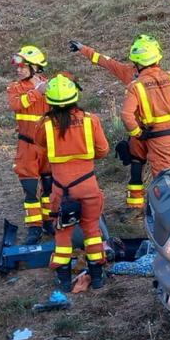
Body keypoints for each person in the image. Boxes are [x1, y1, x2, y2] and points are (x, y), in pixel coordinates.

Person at [69, 30, 170, 215]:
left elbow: (107, 63)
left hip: (154, 139)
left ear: (137, 62)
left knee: (161, 184)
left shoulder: (135, 82)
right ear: (157, 57)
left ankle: (156, 214)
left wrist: (138, 133)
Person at [33, 74, 110, 291]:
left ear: (50, 101)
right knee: (92, 230)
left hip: (62, 190)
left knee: (63, 233)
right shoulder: (90, 120)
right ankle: (97, 277)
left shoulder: (45, 125)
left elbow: (40, 147)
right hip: (88, 186)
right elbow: (103, 150)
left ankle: (64, 280)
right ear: (75, 96)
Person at [6, 45, 52, 243]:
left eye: (23, 66)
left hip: (48, 146)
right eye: (18, 66)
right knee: (30, 188)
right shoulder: (15, 87)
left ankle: (49, 221)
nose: (19, 70)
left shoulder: (50, 85)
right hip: (27, 146)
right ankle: (34, 227)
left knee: (49, 185)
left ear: (36, 67)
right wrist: (37, 92)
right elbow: (15, 104)